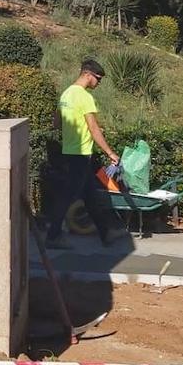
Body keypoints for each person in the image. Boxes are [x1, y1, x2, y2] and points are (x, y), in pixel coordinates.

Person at [44, 59, 128, 249]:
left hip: (70, 152)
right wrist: (110, 152)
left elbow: (56, 123)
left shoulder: (66, 94)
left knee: (90, 196)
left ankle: (106, 233)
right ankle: (53, 236)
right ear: (88, 75)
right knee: (67, 196)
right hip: (81, 154)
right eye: (98, 79)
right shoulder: (84, 97)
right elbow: (93, 128)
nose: (98, 83)